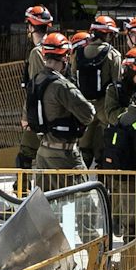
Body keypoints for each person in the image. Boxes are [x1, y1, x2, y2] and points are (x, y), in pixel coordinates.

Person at [26, 33, 95, 170]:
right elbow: (88, 115)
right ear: (64, 57)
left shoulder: (35, 81)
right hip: (64, 156)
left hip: (43, 154)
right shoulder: (62, 86)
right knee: (82, 185)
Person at [72, 21, 124, 161]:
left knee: (83, 150)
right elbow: (117, 83)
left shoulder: (79, 53)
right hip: (105, 107)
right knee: (105, 147)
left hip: (84, 107)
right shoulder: (113, 55)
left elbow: (73, 77)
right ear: (108, 35)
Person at [15, 5, 55, 169]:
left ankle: (23, 186)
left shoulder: (37, 52)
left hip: (40, 112)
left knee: (25, 156)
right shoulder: (54, 46)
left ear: (31, 27)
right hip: (55, 109)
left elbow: (35, 87)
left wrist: (27, 116)